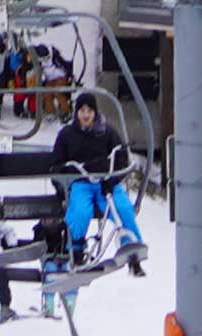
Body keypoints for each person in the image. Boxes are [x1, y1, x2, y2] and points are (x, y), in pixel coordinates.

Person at [47, 92, 145, 276]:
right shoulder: (67, 135)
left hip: (105, 182)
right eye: (82, 111)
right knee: (80, 211)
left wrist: (112, 179)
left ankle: (133, 251)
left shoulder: (106, 132)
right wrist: (64, 184)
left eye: (89, 111)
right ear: (77, 113)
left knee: (123, 208)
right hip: (80, 183)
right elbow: (56, 166)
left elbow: (121, 158)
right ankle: (75, 250)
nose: (86, 115)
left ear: (95, 112)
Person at [33, 214, 80, 319]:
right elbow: (37, 246)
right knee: (50, 272)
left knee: (69, 272)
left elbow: (74, 240)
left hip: (65, 257)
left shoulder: (66, 227)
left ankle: (70, 302)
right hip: (49, 259)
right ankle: (49, 305)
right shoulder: (39, 229)